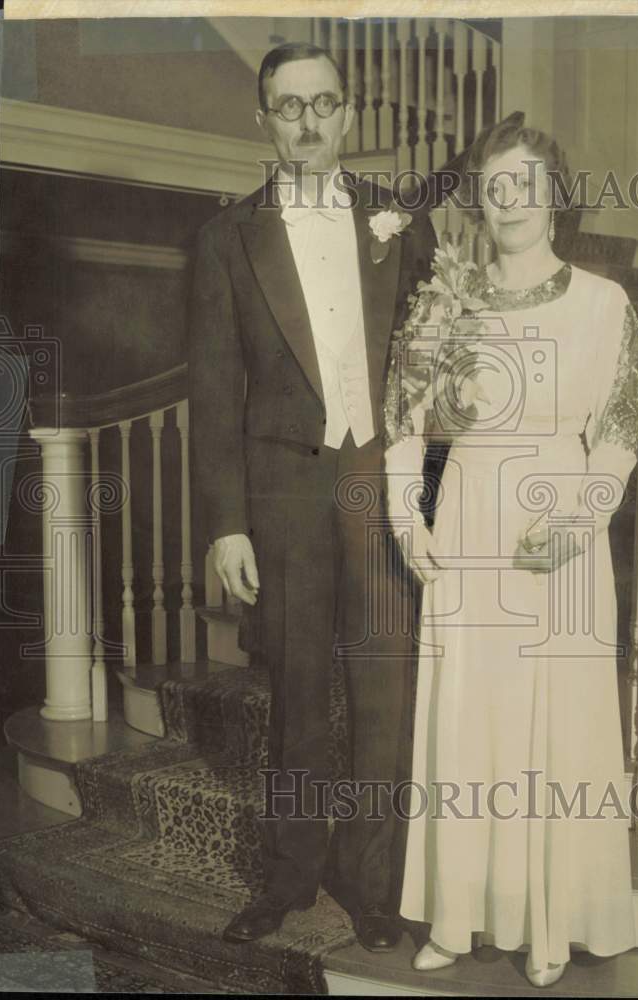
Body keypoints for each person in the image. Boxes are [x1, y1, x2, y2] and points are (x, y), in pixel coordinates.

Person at [383, 113, 638, 987]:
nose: (509, 199)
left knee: (554, 727)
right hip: (465, 518)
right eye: (493, 186)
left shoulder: (604, 302)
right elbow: (402, 420)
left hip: (560, 520)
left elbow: (617, 434)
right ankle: (457, 919)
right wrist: (405, 517)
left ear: (553, 193)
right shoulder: (443, 296)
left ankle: (549, 925)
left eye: (524, 180)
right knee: (466, 720)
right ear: (478, 202)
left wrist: (576, 522)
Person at [188, 41, 437, 951]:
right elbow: (215, 392)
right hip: (283, 487)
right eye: (288, 106)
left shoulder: (400, 224)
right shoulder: (225, 237)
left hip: (380, 482)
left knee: (382, 693)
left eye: (323, 103)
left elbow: (432, 367)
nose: (308, 121)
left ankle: (370, 882)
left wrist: (433, 496)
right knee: (295, 691)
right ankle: (291, 875)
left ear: (347, 114)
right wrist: (226, 525)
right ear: (264, 119)